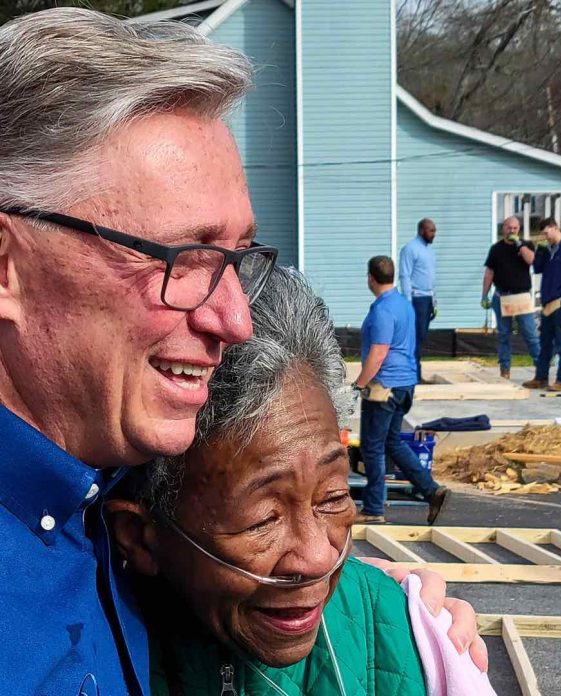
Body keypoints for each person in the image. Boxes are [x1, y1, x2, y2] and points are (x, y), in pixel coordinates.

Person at [0, 8, 478, 694]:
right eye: (184, 258)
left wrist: (379, 618)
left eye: (239, 257)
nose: (234, 319)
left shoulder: (104, 499)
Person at [107, 267, 493, 696]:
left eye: (332, 497)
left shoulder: (414, 642)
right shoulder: (85, 654)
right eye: (262, 520)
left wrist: (412, 623)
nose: (316, 558)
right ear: (141, 539)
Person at [353, 256, 449, 525]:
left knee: (372, 447)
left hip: (384, 386)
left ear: (370, 278)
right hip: (405, 383)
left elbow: (379, 352)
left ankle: (373, 509)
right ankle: (432, 492)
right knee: (392, 442)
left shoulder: (383, 310)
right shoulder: (404, 304)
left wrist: (359, 384)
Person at [522, 217, 561, 392]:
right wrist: (540, 250)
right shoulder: (549, 250)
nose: (545, 237)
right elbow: (537, 268)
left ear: (554, 228)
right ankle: (541, 377)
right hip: (547, 302)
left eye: (546, 233)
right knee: (545, 341)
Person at [481, 216, 540, 379]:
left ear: (518, 229)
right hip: (502, 295)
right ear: (503, 229)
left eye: (515, 228)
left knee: (530, 333)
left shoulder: (526, 245)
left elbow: (531, 261)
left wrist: (519, 244)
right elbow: (489, 272)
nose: (511, 231)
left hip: (521, 296)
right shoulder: (496, 249)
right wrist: (484, 294)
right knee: (503, 334)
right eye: (509, 228)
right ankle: (505, 369)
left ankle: (540, 367)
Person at [399, 218, 437, 382]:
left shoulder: (428, 250)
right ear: (422, 230)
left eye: (434, 231)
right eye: (431, 231)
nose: (434, 234)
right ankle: (413, 375)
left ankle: (415, 374)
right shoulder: (410, 249)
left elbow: (429, 277)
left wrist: (434, 301)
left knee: (420, 337)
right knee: (414, 338)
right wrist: (408, 302)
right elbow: (405, 275)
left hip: (427, 298)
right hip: (416, 299)